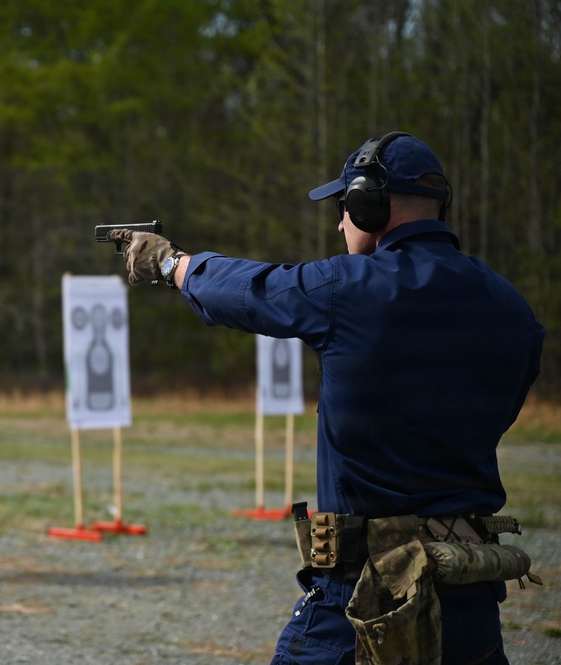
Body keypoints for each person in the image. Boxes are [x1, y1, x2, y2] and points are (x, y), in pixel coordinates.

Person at [109, 132, 544, 664]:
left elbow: (253, 290)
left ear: (370, 201)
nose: (341, 222)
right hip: (471, 591)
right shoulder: (511, 306)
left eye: (345, 206)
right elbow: (502, 414)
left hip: (365, 591)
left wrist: (171, 263)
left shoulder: (350, 287)